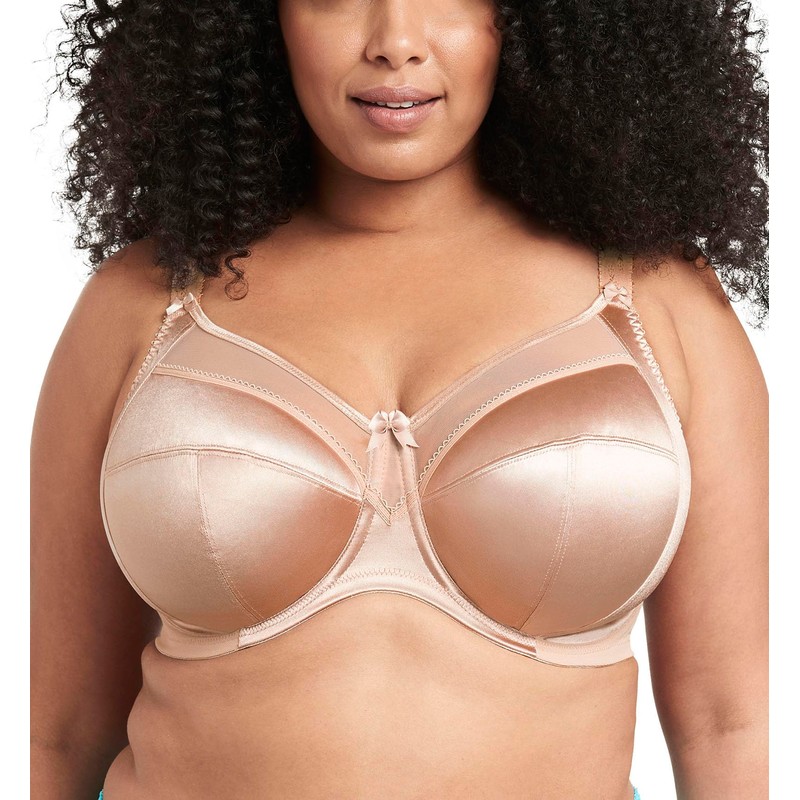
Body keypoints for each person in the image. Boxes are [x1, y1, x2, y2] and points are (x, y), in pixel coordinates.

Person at [31, 1, 768, 798]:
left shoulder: (659, 308)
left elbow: (728, 723)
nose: (395, 43)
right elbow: (57, 732)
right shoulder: (141, 309)